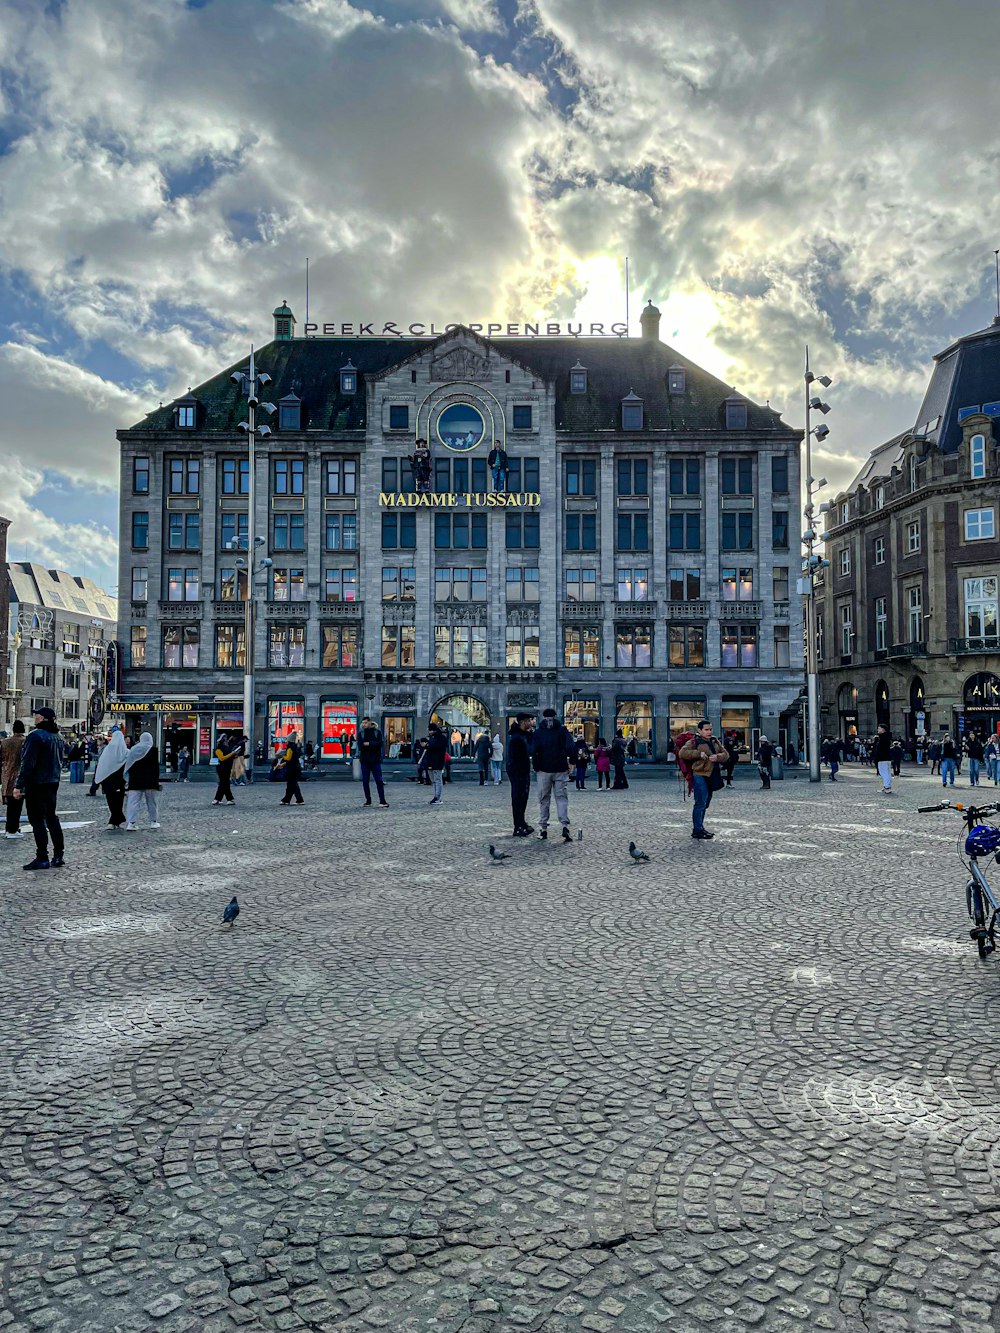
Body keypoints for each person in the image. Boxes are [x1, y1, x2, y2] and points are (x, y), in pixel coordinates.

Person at [12, 707, 66, 869]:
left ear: (41, 718)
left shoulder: (35, 737)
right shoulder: (58, 737)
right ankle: (58, 855)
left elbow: (28, 763)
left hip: (37, 783)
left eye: (37, 716)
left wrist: (19, 785)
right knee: (51, 817)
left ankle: (42, 856)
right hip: (52, 782)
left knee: (37, 819)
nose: (34, 718)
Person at [679, 720, 727, 840]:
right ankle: (697, 830)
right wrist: (698, 754)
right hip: (699, 774)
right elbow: (682, 753)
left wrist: (718, 757)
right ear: (700, 731)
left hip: (712, 775)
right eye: (706, 730)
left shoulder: (715, 741)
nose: (709, 732)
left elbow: (726, 754)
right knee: (700, 803)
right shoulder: (693, 742)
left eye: (710, 729)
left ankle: (700, 827)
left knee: (705, 803)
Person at [532, 707, 575, 841]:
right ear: (555, 717)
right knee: (561, 798)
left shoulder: (538, 732)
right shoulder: (562, 731)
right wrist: (571, 762)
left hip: (543, 770)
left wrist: (536, 766)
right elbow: (571, 747)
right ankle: (564, 826)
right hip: (560, 768)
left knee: (544, 799)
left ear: (543, 718)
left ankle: (543, 828)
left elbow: (532, 749)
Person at [124, 731, 161, 830]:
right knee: (152, 802)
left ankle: (131, 823)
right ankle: (153, 821)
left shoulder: (134, 750)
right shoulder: (153, 750)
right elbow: (155, 768)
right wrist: (156, 782)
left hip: (135, 781)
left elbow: (129, 765)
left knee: (133, 802)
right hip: (150, 781)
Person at [95, 726, 128, 832]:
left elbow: (102, 764)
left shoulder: (108, 750)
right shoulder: (125, 751)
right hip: (119, 781)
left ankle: (114, 820)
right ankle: (115, 820)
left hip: (108, 781)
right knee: (119, 801)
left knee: (111, 801)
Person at [506, 713, 535, 836]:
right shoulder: (517, 738)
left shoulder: (522, 736)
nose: (531, 723)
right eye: (529, 720)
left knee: (523, 799)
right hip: (518, 772)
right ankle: (517, 826)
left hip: (522, 771)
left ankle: (521, 822)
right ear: (523, 722)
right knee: (518, 799)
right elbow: (518, 756)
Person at [2, 719, 26, 840]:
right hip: (19, 775)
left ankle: (10, 828)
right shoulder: (24, 742)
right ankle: (12, 829)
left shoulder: (5, 742)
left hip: (7, 774)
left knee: (10, 804)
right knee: (17, 805)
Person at [358, 716, 389, 807]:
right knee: (365, 781)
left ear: (370, 722)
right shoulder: (361, 734)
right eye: (363, 723)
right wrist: (372, 744)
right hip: (364, 761)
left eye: (365, 723)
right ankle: (368, 801)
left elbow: (380, 744)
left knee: (379, 780)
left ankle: (382, 801)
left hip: (375, 760)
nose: (364, 724)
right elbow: (360, 746)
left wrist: (369, 743)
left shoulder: (377, 732)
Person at [278, 735, 304, 805]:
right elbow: (293, 759)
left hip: (291, 769)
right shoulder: (296, 747)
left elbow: (288, 758)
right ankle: (289, 799)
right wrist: (283, 764)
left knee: (291, 785)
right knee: (292, 785)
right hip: (296, 768)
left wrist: (281, 756)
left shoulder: (290, 748)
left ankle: (293, 800)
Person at [425, 722, 448, 805]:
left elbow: (436, 748)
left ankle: (437, 797)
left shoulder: (440, 738)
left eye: (429, 730)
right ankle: (435, 796)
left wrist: (427, 746)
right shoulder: (433, 738)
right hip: (431, 762)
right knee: (434, 780)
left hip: (437, 761)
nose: (428, 731)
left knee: (437, 780)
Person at [213, 733, 237, 805]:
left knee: (224, 783)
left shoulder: (227, 748)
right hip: (221, 768)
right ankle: (225, 799)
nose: (227, 740)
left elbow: (229, 757)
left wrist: (234, 755)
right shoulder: (218, 749)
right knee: (224, 783)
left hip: (227, 767)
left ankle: (220, 799)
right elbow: (222, 758)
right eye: (225, 739)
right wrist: (232, 754)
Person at [873, 723, 893, 794]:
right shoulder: (886, 737)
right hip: (886, 757)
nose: (878, 730)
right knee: (887, 772)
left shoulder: (882, 738)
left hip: (882, 758)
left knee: (884, 773)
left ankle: (887, 787)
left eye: (879, 728)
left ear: (883, 730)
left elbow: (879, 749)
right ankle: (887, 786)